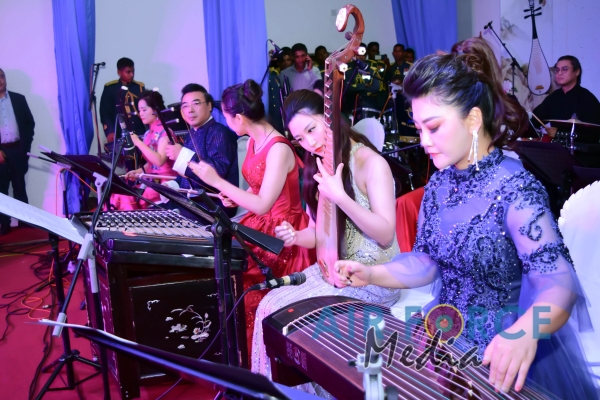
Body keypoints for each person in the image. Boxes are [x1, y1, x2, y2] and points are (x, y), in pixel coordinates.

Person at [335, 41, 598, 399]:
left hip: (501, 349)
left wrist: (526, 332)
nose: (423, 141)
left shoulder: (514, 188)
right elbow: (426, 262)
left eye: (433, 127)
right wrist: (372, 273)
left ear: (473, 120)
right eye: (418, 129)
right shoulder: (439, 185)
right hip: (445, 335)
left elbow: (559, 284)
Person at [250, 89, 402, 377]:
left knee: (293, 317)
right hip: (335, 270)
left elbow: (385, 234)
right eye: (300, 139)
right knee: (269, 304)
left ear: (329, 118)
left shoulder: (370, 162)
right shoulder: (319, 163)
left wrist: (340, 196)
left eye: (311, 129)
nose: (310, 143)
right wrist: (296, 236)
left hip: (374, 276)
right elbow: (317, 233)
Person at [188, 79, 315, 358]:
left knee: (246, 281)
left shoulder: (278, 147)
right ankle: (235, 353)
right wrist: (236, 196)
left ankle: (255, 358)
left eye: (226, 117)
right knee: (226, 266)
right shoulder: (254, 140)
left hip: (283, 230)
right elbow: (257, 189)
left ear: (238, 118)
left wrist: (218, 182)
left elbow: (263, 203)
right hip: (261, 222)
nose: (227, 123)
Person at [165, 84, 238, 222]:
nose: (190, 110)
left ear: (209, 106)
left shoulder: (219, 132)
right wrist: (172, 185)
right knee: (154, 212)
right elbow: (183, 177)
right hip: (192, 202)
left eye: (196, 103)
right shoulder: (191, 133)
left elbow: (217, 171)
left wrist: (182, 155)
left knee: (166, 219)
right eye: (185, 106)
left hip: (215, 205)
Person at [109, 90, 177, 210]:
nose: (141, 114)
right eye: (139, 110)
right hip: (150, 181)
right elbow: (151, 164)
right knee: (118, 194)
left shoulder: (165, 132)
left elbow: (159, 161)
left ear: (155, 110)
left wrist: (138, 142)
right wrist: (138, 171)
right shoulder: (147, 134)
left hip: (165, 183)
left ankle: (131, 223)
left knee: (128, 198)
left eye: (144, 110)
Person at [0, 68, 35, 235]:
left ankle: (24, 221)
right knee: (1, 190)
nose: (0, 80)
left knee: (20, 187)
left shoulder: (18, 99)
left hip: (17, 150)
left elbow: (29, 124)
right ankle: (4, 224)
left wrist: (24, 148)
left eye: (1, 76)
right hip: (1, 152)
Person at [533, 55, 600, 125]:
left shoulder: (587, 99)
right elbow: (534, 121)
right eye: (557, 70)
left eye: (564, 69)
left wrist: (558, 131)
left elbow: (594, 129)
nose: (559, 73)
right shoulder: (553, 98)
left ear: (577, 72)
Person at [100, 57, 146, 143]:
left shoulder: (139, 87)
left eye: (133, 71)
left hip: (139, 131)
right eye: (128, 72)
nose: (131, 74)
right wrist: (110, 131)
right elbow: (105, 113)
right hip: (119, 132)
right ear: (119, 72)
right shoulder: (110, 88)